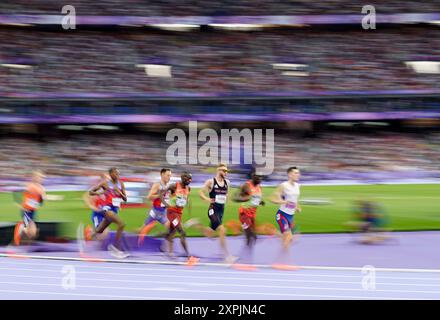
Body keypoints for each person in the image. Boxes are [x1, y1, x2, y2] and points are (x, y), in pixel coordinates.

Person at [197, 164, 236, 264]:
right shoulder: (211, 182)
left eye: (227, 171)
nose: (226, 173)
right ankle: (227, 256)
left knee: (210, 234)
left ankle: (196, 225)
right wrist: (207, 199)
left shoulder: (227, 182)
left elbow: (227, 194)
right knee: (222, 230)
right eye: (224, 170)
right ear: (218, 170)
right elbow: (200, 193)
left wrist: (227, 197)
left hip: (221, 211)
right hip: (212, 210)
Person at [87, 168, 129, 258]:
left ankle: (91, 234)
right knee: (121, 224)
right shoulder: (105, 183)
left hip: (114, 210)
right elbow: (90, 192)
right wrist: (102, 192)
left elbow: (125, 199)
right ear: (110, 174)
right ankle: (116, 249)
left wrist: (120, 193)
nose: (118, 175)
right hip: (106, 209)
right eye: (116, 174)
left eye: (118, 174)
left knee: (100, 230)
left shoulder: (121, 184)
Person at [161, 172, 198, 265]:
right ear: (182, 178)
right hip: (172, 212)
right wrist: (165, 204)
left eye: (190, 179)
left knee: (171, 232)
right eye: (188, 179)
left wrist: (188, 204)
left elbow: (186, 198)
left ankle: (165, 245)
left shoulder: (188, 188)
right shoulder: (174, 186)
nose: (189, 181)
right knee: (182, 232)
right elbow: (161, 194)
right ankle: (188, 256)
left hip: (179, 213)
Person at [269, 166, 302, 269]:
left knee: (290, 238)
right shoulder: (283, 185)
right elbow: (272, 198)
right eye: (295, 173)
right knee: (287, 237)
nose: (298, 175)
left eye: (298, 173)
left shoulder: (298, 186)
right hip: (282, 214)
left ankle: (276, 234)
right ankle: (284, 262)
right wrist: (284, 201)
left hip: (290, 216)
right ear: (289, 174)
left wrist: (297, 207)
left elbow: (295, 200)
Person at [233, 173, 265, 267]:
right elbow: (235, 198)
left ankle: (244, 259)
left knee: (253, 238)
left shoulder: (259, 187)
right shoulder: (246, 185)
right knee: (251, 235)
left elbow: (256, 199)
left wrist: (260, 202)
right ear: (253, 177)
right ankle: (243, 259)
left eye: (261, 178)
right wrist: (245, 198)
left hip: (252, 215)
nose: (260, 179)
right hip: (244, 214)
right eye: (258, 177)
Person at [138, 168, 172, 246]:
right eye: (168, 175)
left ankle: (164, 245)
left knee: (171, 228)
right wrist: (159, 195)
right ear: (162, 175)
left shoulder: (168, 185)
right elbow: (149, 197)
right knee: (142, 231)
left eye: (170, 175)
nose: (169, 177)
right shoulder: (157, 185)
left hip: (163, 212)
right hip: (156, 212)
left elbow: (166, 198)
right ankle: (136, 243)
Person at [14, 170, 46, 246]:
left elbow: (41, 200)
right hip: (26, 210)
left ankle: (24, 242)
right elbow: (18, 192)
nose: (42, 179)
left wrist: (40, 202)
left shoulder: (41, 187)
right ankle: (17, 240)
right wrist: (20, 205)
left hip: (32, 211)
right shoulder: (31, 186)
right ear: (35, 177)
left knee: (32, 232)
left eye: (42, 177)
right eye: (40, 177)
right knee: (28, 230)